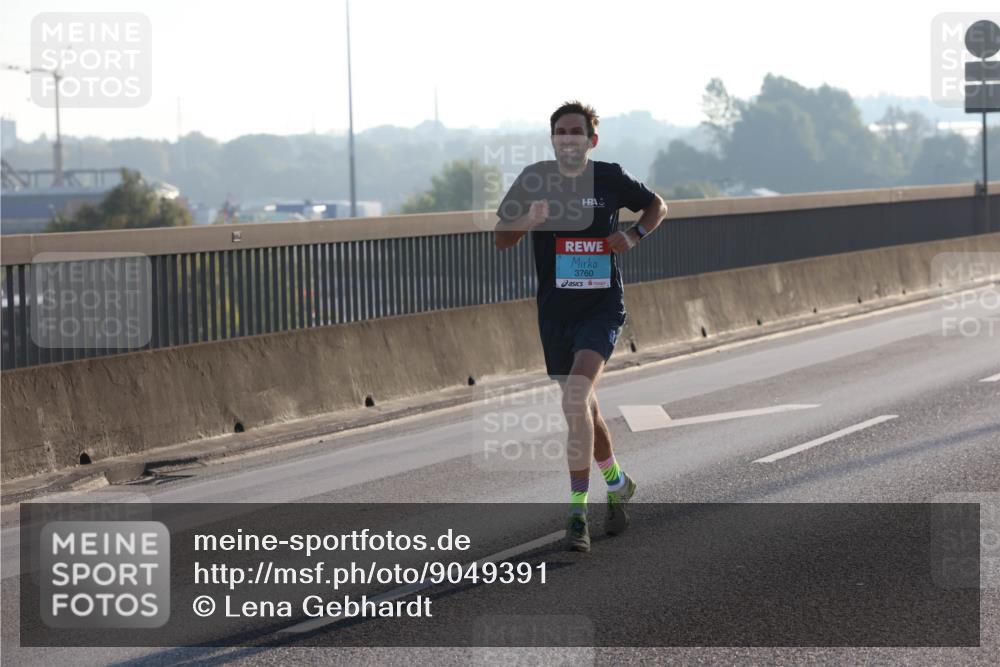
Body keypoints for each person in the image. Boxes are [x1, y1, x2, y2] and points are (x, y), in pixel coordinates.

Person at [494, 100, 668, 552]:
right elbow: (500, 237)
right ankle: (618, 484)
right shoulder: (535, 178)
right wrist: (527, 220)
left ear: (592, 140)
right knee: (584, 406)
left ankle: (577, 511)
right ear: (553, 140)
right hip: (556, 313)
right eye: (560, 133)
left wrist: (633, 235)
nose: (568, 140)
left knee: (577, 394)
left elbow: (657, 206)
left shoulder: (608, 177)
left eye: (577, 132)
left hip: (601, 307)